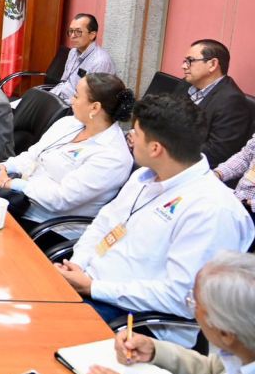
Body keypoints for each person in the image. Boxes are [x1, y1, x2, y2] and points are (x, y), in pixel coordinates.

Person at [55, 94, 255, 346]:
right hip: (88, 283)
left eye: (136, 133)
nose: (130, 138)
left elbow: (180, 297)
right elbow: (104, 222)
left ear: (156, 149)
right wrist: (77, 265)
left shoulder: (213, 211)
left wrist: (93, 287)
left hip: (136, 322)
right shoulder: (144, 176)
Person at [87, 251, 255, 374]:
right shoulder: (242, 353)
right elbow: (213, 373)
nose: (191, 306)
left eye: (194, 303)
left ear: (225, 333)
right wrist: (155, 351)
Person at [0, 73, 134, 230]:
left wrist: (11, 183)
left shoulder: (113, 156)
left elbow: (61, 199)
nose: (71, 100)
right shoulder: (69, 124)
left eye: (76, 96)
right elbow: (33, 155)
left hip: (48, 225)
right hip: (20, 202)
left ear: (95, 107)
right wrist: (4, 167)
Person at [174, 39, 251, 167]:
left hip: (193, 167)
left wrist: (169, 149)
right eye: (184, 61)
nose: (184, 66)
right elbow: (166, 115)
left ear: (212, 64)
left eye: (190, 61)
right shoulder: (186, 84)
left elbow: (217, 152)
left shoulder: (232, 101)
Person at [48, 13, 116, 104]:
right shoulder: (73, 52)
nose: (72, 36)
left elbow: (92, 100)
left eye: (78, 32)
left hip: (73, 105)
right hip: (58, 95)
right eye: (71, 31)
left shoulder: (101, 62)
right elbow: (64, 82)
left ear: (92, 35)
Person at [214, 132, 255, 225]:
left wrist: (248, 203)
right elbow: (245, 157)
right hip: (238, 203)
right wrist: (218, 173)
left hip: (248, 208)